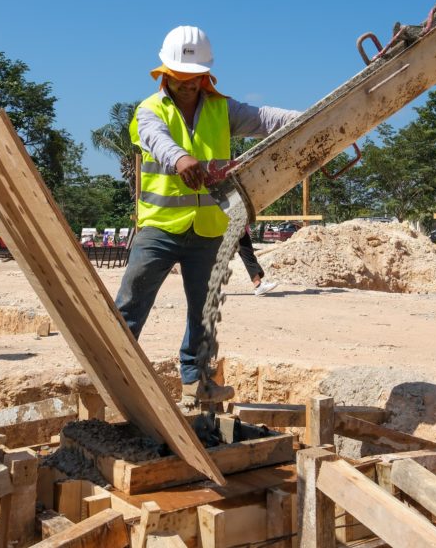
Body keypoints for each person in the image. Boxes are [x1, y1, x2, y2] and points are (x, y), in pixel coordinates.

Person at [115, 25, 299, 407]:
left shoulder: (221, 108)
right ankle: (112, 373)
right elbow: (156, 140)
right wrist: (181, 158)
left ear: (205, 77)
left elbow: (265, 118)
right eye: (180, 78)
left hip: (210, 231)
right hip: (160, 229)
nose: (187, 85)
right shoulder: (149, 110)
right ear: (165, 74)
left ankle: (197, 382)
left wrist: (312, 119)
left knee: (204, 313)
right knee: (131, 303)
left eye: (194, 78)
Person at [237, 229, 278, 295]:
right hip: (233, 226)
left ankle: (258, 284)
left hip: (231, 226)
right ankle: (258, 285)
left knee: (247, 253)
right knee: (247, 253)